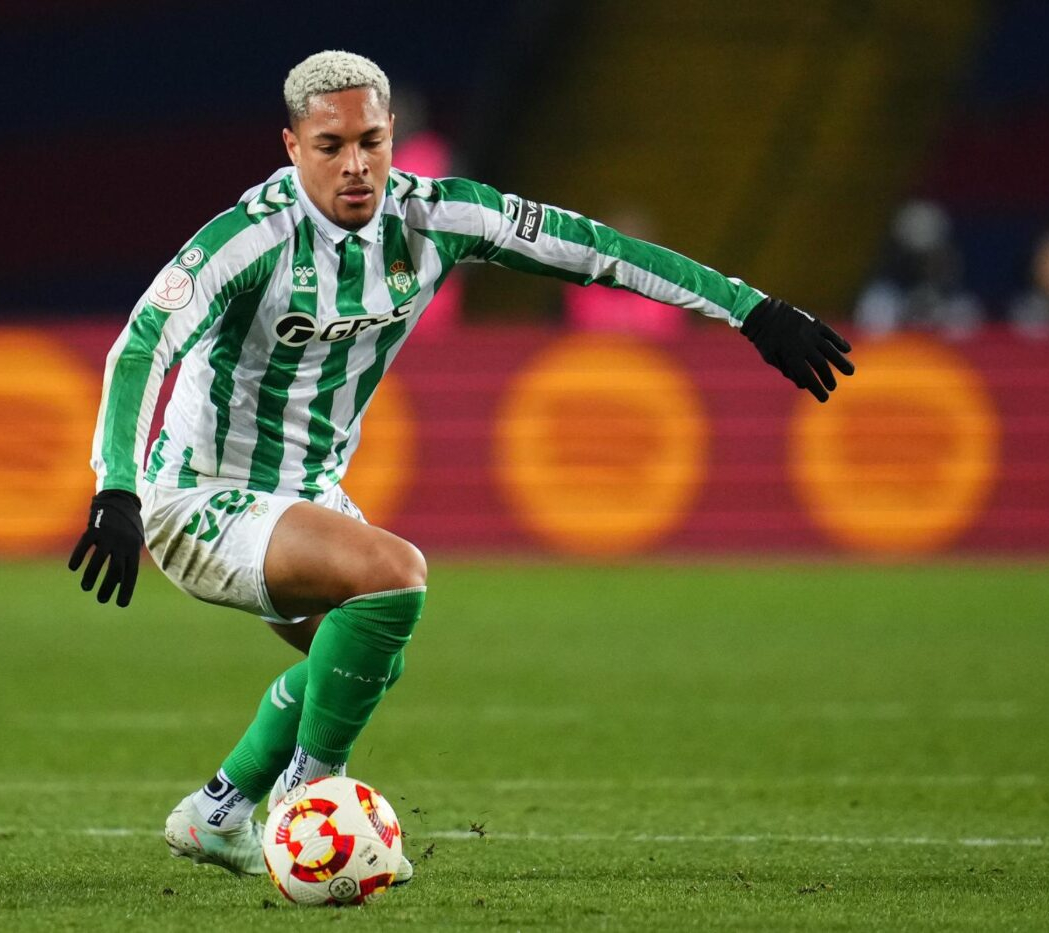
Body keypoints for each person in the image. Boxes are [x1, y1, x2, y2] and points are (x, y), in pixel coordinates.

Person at [66, 50, 854, 881]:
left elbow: (592, 249)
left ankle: (218, 811)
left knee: (363, 658)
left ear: (392, 134)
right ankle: (312, 800)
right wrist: (116, 485)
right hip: (200, 496)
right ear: (293, 147)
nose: (356, 163)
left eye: (371, 140)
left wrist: (750, 308)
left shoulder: (438, 217)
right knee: (393, 575)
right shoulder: (249, 239)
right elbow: (142, 343)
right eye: (331, 145)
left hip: (308, 493)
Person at [853, 200, 983, 338]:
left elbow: (970, 343)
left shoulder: (960, 304)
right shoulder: (880, 299)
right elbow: (872, 340)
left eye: (933, 256)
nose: (926, 266)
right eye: (918, 259)